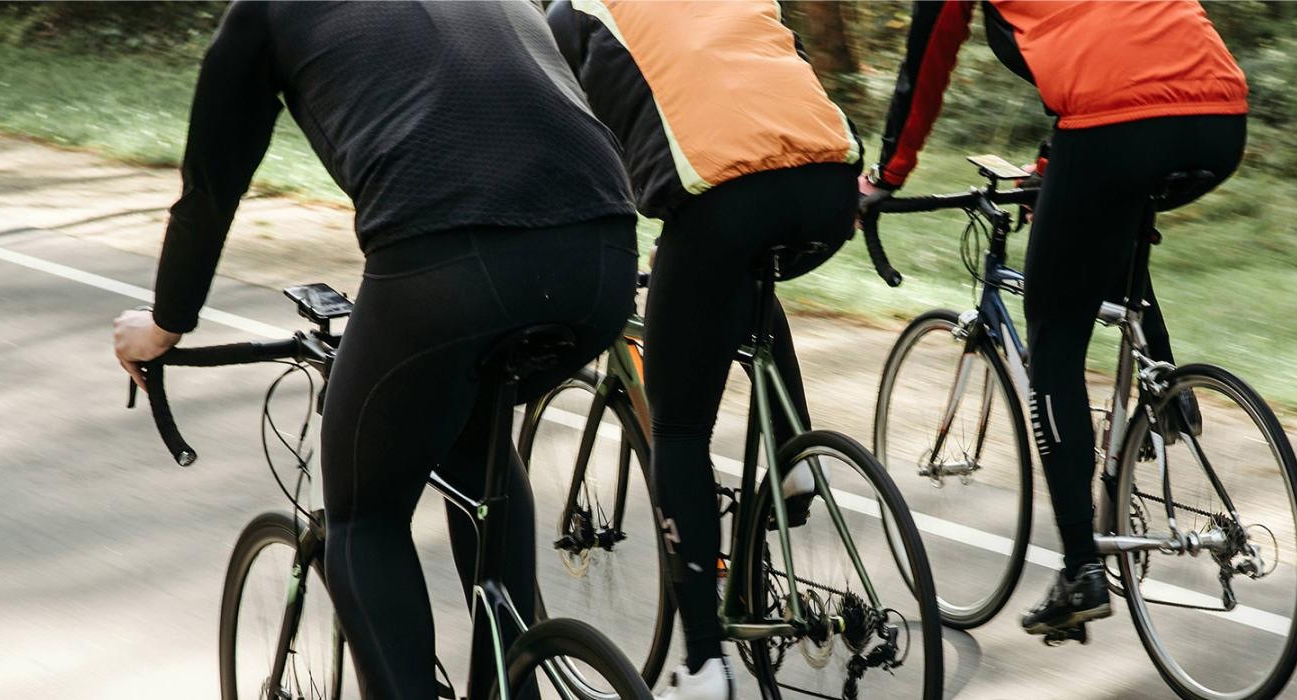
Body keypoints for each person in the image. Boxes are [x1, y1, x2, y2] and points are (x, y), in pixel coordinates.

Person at [110, 2, 637, 697]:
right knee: (474, 438)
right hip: (603, 258)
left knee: (363, 516)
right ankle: (513, 676)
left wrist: (164, 326)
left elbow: (210, 191)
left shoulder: (265, 13)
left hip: (447, 264)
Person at [859, 0, 1248, 636]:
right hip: (1220, 110)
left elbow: (926, 59)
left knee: (1054, 338)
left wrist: (888, 175)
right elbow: (1115, 38)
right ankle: (1164, 385)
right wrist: (1055, 168)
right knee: (1108, 220)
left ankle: (1080, 571)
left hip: (1115, 122)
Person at [546, 2, 861, 697]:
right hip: (832, 184)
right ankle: (791, 457)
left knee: (680, 429)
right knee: (740, 274)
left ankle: (704, 665)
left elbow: (558, 143)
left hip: (722, 197)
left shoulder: (574, 15)